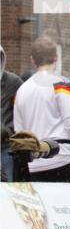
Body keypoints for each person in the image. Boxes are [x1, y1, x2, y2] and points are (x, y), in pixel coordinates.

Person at [13, 36, 70, 186]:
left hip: (34, 163)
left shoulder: (21, 90)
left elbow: (19, 132)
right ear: (56, 58)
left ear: (32, 60)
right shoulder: (61, 85)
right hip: (63, 159)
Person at [1, 45, 23, 180]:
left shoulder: (13, 82)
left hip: (5, 146)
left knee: (7, 188)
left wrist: (7, 130)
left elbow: (23, 109)